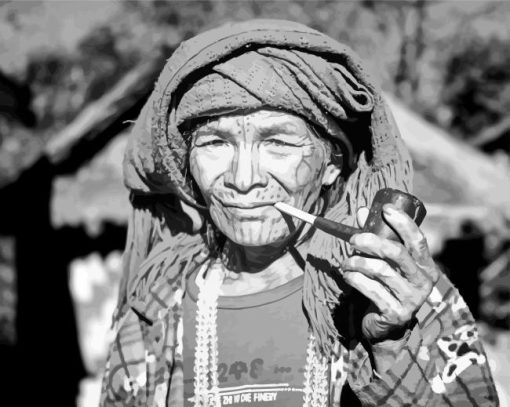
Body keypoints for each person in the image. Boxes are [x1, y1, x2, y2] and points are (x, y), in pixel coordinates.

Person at [100, 19, 498, 406]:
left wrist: (391, 346)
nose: (243, 179)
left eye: (278, 143)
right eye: (214, 143)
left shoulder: (400, 295)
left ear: (331, 164)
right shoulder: (155, 306)